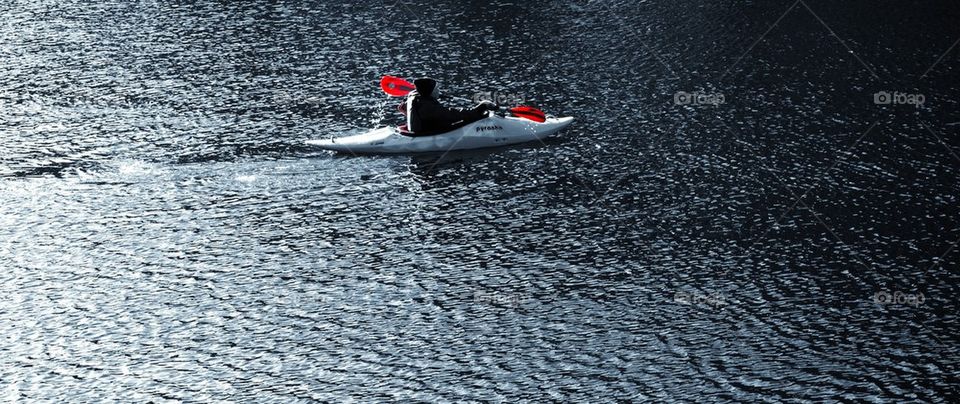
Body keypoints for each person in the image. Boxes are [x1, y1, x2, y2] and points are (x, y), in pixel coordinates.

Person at [401, 78, 498, 135]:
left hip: (423, 128)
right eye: (437, 89)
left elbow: (403, 106)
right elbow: (449, 114)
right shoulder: (426, 106)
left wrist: (434, 96)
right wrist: (477, 110)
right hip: (427, 133)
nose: (439, 91)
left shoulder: (414, 97)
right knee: (470, 119)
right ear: (429, 92)